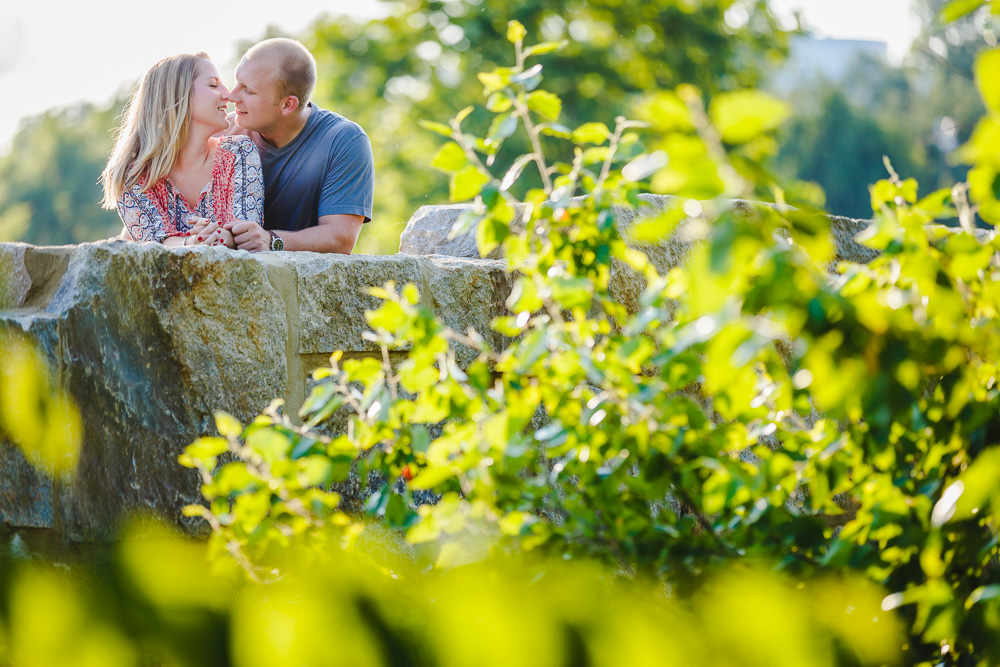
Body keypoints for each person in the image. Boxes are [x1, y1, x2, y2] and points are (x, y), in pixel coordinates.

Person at [223, 38, 374, 253]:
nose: (232, 96)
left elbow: (341, 237)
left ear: (288, 104)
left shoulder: (344, 140)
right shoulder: (219, 133)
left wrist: (271, 240)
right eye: (237, 82)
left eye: (248, 90)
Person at [101, 53, 264, 247]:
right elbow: (153, 244)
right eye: (213, 85)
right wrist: (194, 243)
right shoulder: (132, 173)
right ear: (178, 96)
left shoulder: (239, 152)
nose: (228, 94)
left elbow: (245, 232)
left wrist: (221, 237)